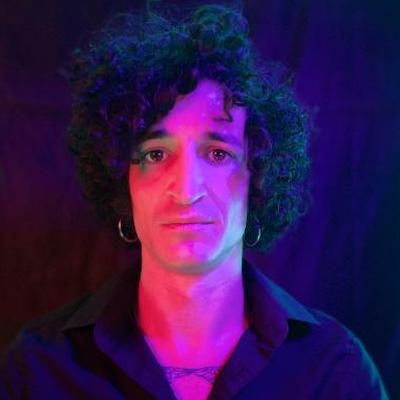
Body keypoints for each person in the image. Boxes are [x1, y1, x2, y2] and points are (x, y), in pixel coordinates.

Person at [0, 3, 389, 399]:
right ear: (122, 179)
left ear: (259, 175)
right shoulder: (38, 370)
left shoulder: (334, 371)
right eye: (155, 154)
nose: (187, 190)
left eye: (218, 154)